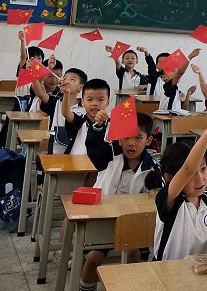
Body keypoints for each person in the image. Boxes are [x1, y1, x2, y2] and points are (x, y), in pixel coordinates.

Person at [79, 112, 157, 291]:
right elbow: (94, 147)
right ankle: (85, 288)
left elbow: (156, 200)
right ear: (119, 139)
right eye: (126, 137)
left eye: (138, 138)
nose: (131, 143)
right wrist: (98, 127)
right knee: (92, 259)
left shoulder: (152, 170)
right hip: (105, 221)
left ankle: (132, 288)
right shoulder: (109, 157)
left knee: (133, 255)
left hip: (134, 226)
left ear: (148, 140)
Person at [153, 124, 207, 263]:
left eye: (203, 169)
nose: (200, 178)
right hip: (166, 270)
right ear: (169, 178)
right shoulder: (170, 200)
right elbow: (187, 169)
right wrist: (206, 135)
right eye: (192, 175)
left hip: (198, 269)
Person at [62, 78, 111, 165]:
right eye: (89, 99)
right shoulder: (79, 122)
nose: (94, 104)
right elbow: (66, 113)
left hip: (100, 169)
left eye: (100, 100)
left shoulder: (112, 125)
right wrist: (66, 94)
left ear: (108, 102)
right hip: (74, 167)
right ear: (82, 102)